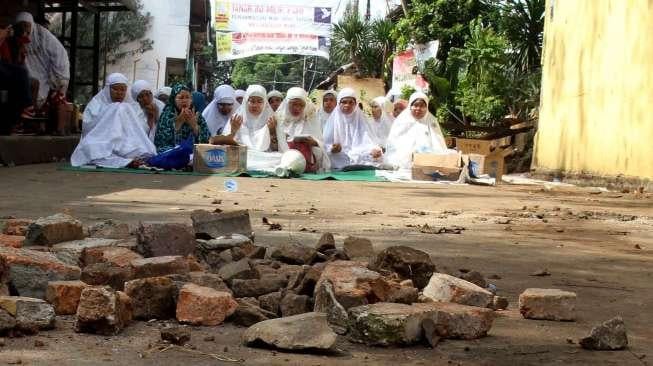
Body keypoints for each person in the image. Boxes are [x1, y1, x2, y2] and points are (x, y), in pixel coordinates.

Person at [70, 73, 156, 168]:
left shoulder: (131, 106)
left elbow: (141, 131)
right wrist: (110, 112)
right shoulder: (96, 103)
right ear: (108, 89)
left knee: (143, 149)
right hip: (102, 141)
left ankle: (128, 160)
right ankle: (127, 161)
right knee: (89, 148)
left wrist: (150, 118)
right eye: (115, 89)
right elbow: (88, 128)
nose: (119, 93)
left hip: (125, 142)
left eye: (123, 90)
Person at [14, 12, 69, 112]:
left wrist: (62, 79)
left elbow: (60, 56)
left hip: (44, 73)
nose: (25, 30)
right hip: (26, 74)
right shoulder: (15, 37)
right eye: (21, 27)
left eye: (26, 26)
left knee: (40, 99)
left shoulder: (44, 36)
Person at [384, 92, 451, 169]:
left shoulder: (431, 121)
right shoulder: (401, 121)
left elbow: (439, 144)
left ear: (427, 107)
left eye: (422, 106)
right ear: (410, 106)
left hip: (427, 162)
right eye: (415, 105)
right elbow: (393, 143)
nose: (418, 109)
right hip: (402, 162)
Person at [323, 88, 383, 170]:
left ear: (356, 104)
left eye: (351, 102)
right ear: (339, 103)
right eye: (344, 102)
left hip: (357, 153)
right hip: (340, 156)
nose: (347, 105)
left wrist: (374, 150)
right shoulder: (333, 120)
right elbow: (325, 144)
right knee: (332, 157)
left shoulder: (361, 119)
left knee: (370, 155)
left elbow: (369, 141)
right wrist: (332, 148)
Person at [275, 87, 330, 173]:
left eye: (301, 105)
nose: (297, 108)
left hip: (306, 160)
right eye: (294, 104)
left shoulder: (310, 118)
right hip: (283, 158)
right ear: (287, 103)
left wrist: (314, 142)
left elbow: (321, 144)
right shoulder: (279, 119)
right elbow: (276, 146)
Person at [154, 84, 211, 153]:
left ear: (191, 100)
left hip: (193, 154)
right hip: (172, 154)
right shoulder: (167, 115)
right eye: (181, 98)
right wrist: (177, 124)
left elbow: (208, 141)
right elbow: (162, 143)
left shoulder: (197, 115)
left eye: (187, 97)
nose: (184, 101)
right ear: (173, 99)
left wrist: (195, 126)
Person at [0, 20, 32, 135]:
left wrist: (20, 54)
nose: (23, 44)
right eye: (25, 33)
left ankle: (18, 119)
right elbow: (7, 61)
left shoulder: (19, 47)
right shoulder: (6, 41)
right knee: (21, 74)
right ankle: (26, 107)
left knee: (27, 77)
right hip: (5, 71)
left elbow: (18, 64)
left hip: (8, 71)